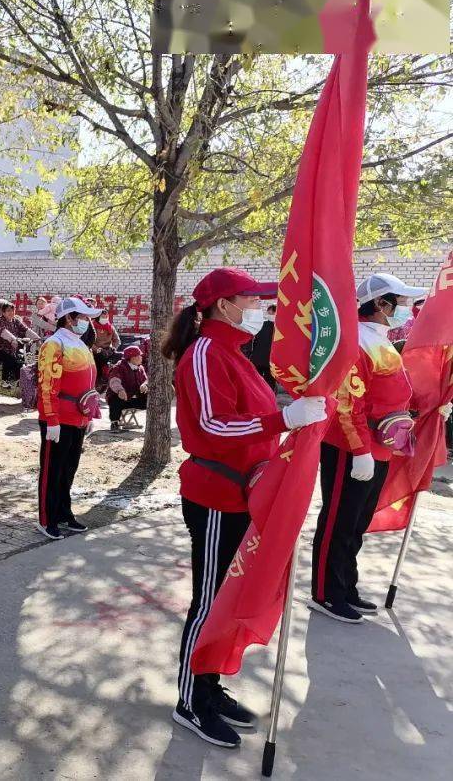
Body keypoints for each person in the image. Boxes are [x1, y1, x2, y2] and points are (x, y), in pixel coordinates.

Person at [163, 267, 327, 749]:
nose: (258, 309)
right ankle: (191, 699)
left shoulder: (233, 353)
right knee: (209, 601)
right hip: (216, 498)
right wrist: (282, 418)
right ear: (222, 305)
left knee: (228, 601)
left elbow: (252, 420)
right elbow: (214, 429)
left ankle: (210, 685)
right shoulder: (204, 353)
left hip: (244, 496)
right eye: (250, 300)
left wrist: (290, 421)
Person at [310, 273, 425, 625]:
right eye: (401, 302)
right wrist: (359, 449)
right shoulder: (357, 341)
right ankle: (325, 592)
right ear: (380, 303)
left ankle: (346, 585)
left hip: (381, 445)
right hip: (351, 446)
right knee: (339, 519)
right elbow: (347, 403)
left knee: (357, 521)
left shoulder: (381, 339)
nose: (405, 309)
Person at [35, 297, 101, 541]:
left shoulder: (80, 344)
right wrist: (51, 419)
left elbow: (89, 382)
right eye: (82, 317)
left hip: (78, 418)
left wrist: (91, 413)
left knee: (68, 469)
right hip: (59, 418)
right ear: (69, 318)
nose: (85, 322)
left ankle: (63, 512)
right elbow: (47, 385)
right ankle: (47, 518)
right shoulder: (54, 344)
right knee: (53, 470)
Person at [0, 299, 37, 384]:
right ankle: (5, 382)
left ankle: (20, 383)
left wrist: (37, 338)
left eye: (13, 310)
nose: (11, 312)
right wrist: (15, 339)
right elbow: (5, 332)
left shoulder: (15, 320)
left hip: (11, 350)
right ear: (3, 312)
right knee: (11, 361)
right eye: (8, 311)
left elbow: (25, 329)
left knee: (22, 363)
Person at [106, 345, 149, 432]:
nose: (141, 357)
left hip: (134, 397)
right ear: (131, 358)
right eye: (138, 356)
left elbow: (146, 380)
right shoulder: (119, 367)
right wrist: (120, 390)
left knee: (150, 399)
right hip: (121, 398)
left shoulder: (140, 368)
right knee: (115, 399)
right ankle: (114, 423)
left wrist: (145, 385)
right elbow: (114, 380)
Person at [242, 304, 276, 392]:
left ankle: (261, 396)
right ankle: (269, 398)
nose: (269, 314)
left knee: (258, 382)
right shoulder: (279, 328)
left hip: (258, 359)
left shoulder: (261, 325)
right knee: (269, 382)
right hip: (270, 360)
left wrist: (249, 354)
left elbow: (253, 340)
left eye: (270, 312)